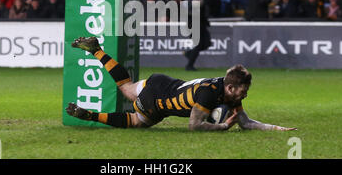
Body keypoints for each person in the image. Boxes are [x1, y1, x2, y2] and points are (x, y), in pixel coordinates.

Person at [66, 37, 297, 131]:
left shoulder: (226, 92)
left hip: (162, 81)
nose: (245, 96)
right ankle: (91, 116)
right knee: (137, 121)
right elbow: (194, 126)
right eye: (243, 92)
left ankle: (97, 50)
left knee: (126, 86)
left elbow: (245, 123)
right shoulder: (209, 94)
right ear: (230, 88)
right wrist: (222, 127)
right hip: (157, 101)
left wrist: (277, 129)